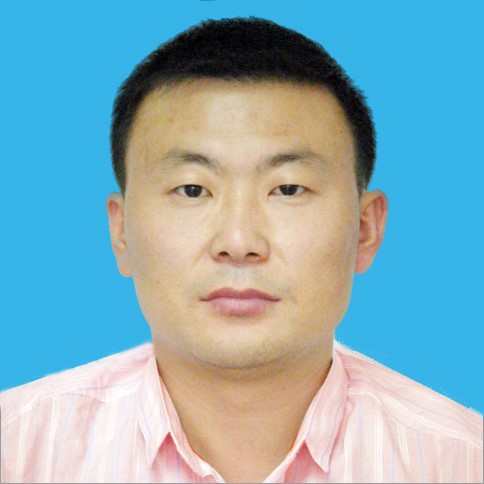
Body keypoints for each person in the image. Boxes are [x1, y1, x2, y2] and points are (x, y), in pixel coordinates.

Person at [0, 17, 482, 484]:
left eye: (288, 189)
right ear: (121, 231)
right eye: (192, 189)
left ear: (365, 229)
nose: (238, 243)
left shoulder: (462, 461)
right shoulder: (17, 449)